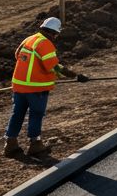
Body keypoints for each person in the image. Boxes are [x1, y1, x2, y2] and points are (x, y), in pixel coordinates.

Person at [5, 17, 83, 157]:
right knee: (36, 114)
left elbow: (17, 55)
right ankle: (35, 144)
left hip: (18, 86)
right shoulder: (45, 44)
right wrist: (74, 75)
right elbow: (54, 67)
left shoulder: (29, 39)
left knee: (17, 114)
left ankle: (10, 144)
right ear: (55, 33)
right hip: (36, 88)